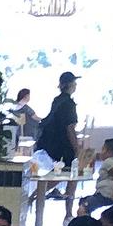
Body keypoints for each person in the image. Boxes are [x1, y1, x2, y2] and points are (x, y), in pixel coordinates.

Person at [35, 72, 81, 209]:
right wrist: (77, 148)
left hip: (48, 143)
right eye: (74, 83)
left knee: (53, 175)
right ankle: (68, 210)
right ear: (70, 85)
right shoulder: (69, 104)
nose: (76, 85)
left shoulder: (57, 100)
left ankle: (35, 197)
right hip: (62, 145)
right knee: (72, 175)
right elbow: (70, 128)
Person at [76, 138, 113, 216]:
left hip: (105, 196)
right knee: (83, 200)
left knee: (82, 209)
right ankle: (88, 220)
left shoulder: (109, 161)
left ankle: (85, 224)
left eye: (103, 149)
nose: (101, 152)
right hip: (105, 195)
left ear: (109, 152)